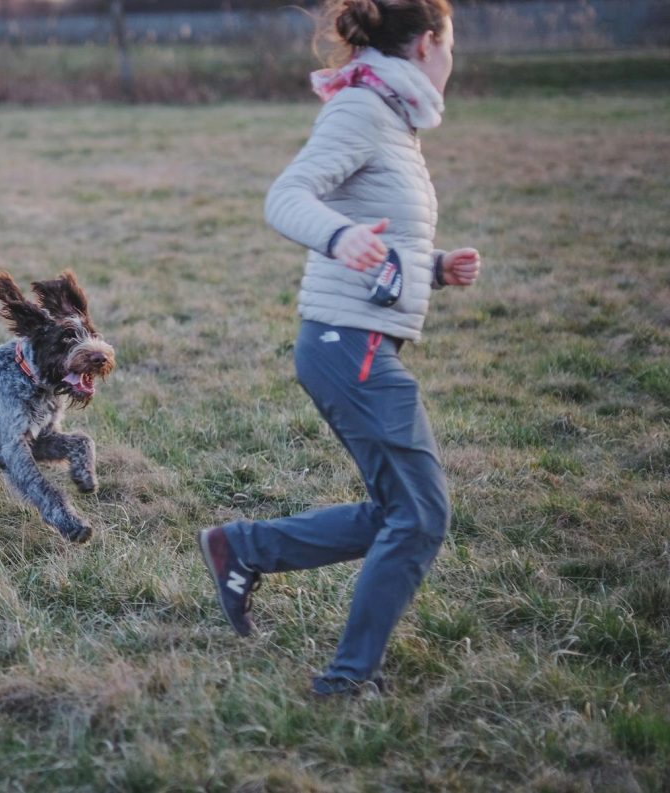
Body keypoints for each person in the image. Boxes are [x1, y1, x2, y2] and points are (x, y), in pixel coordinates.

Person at [197, 0, 481, 697]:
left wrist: (432, 267)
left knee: (400, 509)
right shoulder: (363, 111)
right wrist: (335, 236)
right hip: (345, 347)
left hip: (355, 340)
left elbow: (382, 235)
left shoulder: (391, 115)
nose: (452, 59)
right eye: (450, 46)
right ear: (427, 44)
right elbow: (286, 195)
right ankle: (348, 679)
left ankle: (246, 547)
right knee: (419, 514)